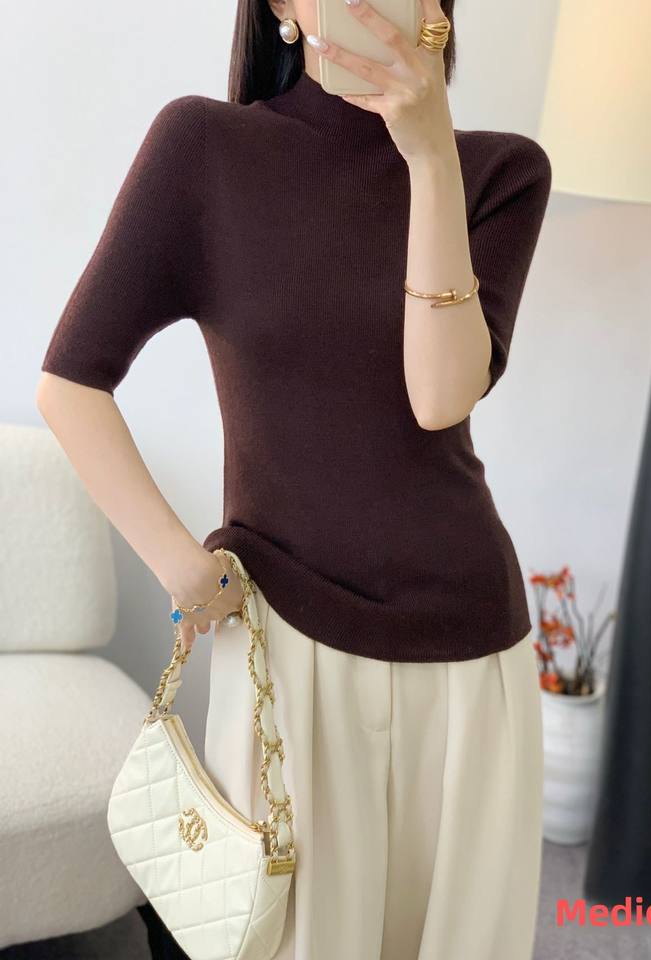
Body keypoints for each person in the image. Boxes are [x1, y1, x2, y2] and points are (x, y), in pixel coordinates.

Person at [37, 1, 552, 958]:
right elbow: (70, 383)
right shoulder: (204, 150)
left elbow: (439, 395)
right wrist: (180, 564)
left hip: (469, 652)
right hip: (285, 654)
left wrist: (430, 157)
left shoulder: (501, 171)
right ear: (281, 5)